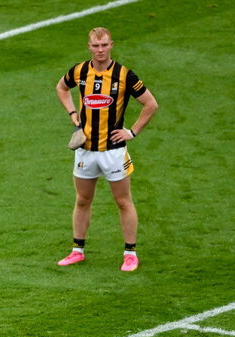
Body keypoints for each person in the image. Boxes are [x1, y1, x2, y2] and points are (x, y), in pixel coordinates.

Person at [55, 27, 158, 271]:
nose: (100, 50)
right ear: (89, 46)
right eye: (95, 46)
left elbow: (150, 104)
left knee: (123, 201)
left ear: (111, 45)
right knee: (82, 200)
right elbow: (61, 88)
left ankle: (130, 253)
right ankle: (77, 250)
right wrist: (72, 112)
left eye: (104, 45)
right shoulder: (79, 71)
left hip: (114, 151)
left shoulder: (124, 75)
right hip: (85, 150)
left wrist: (131, 132)